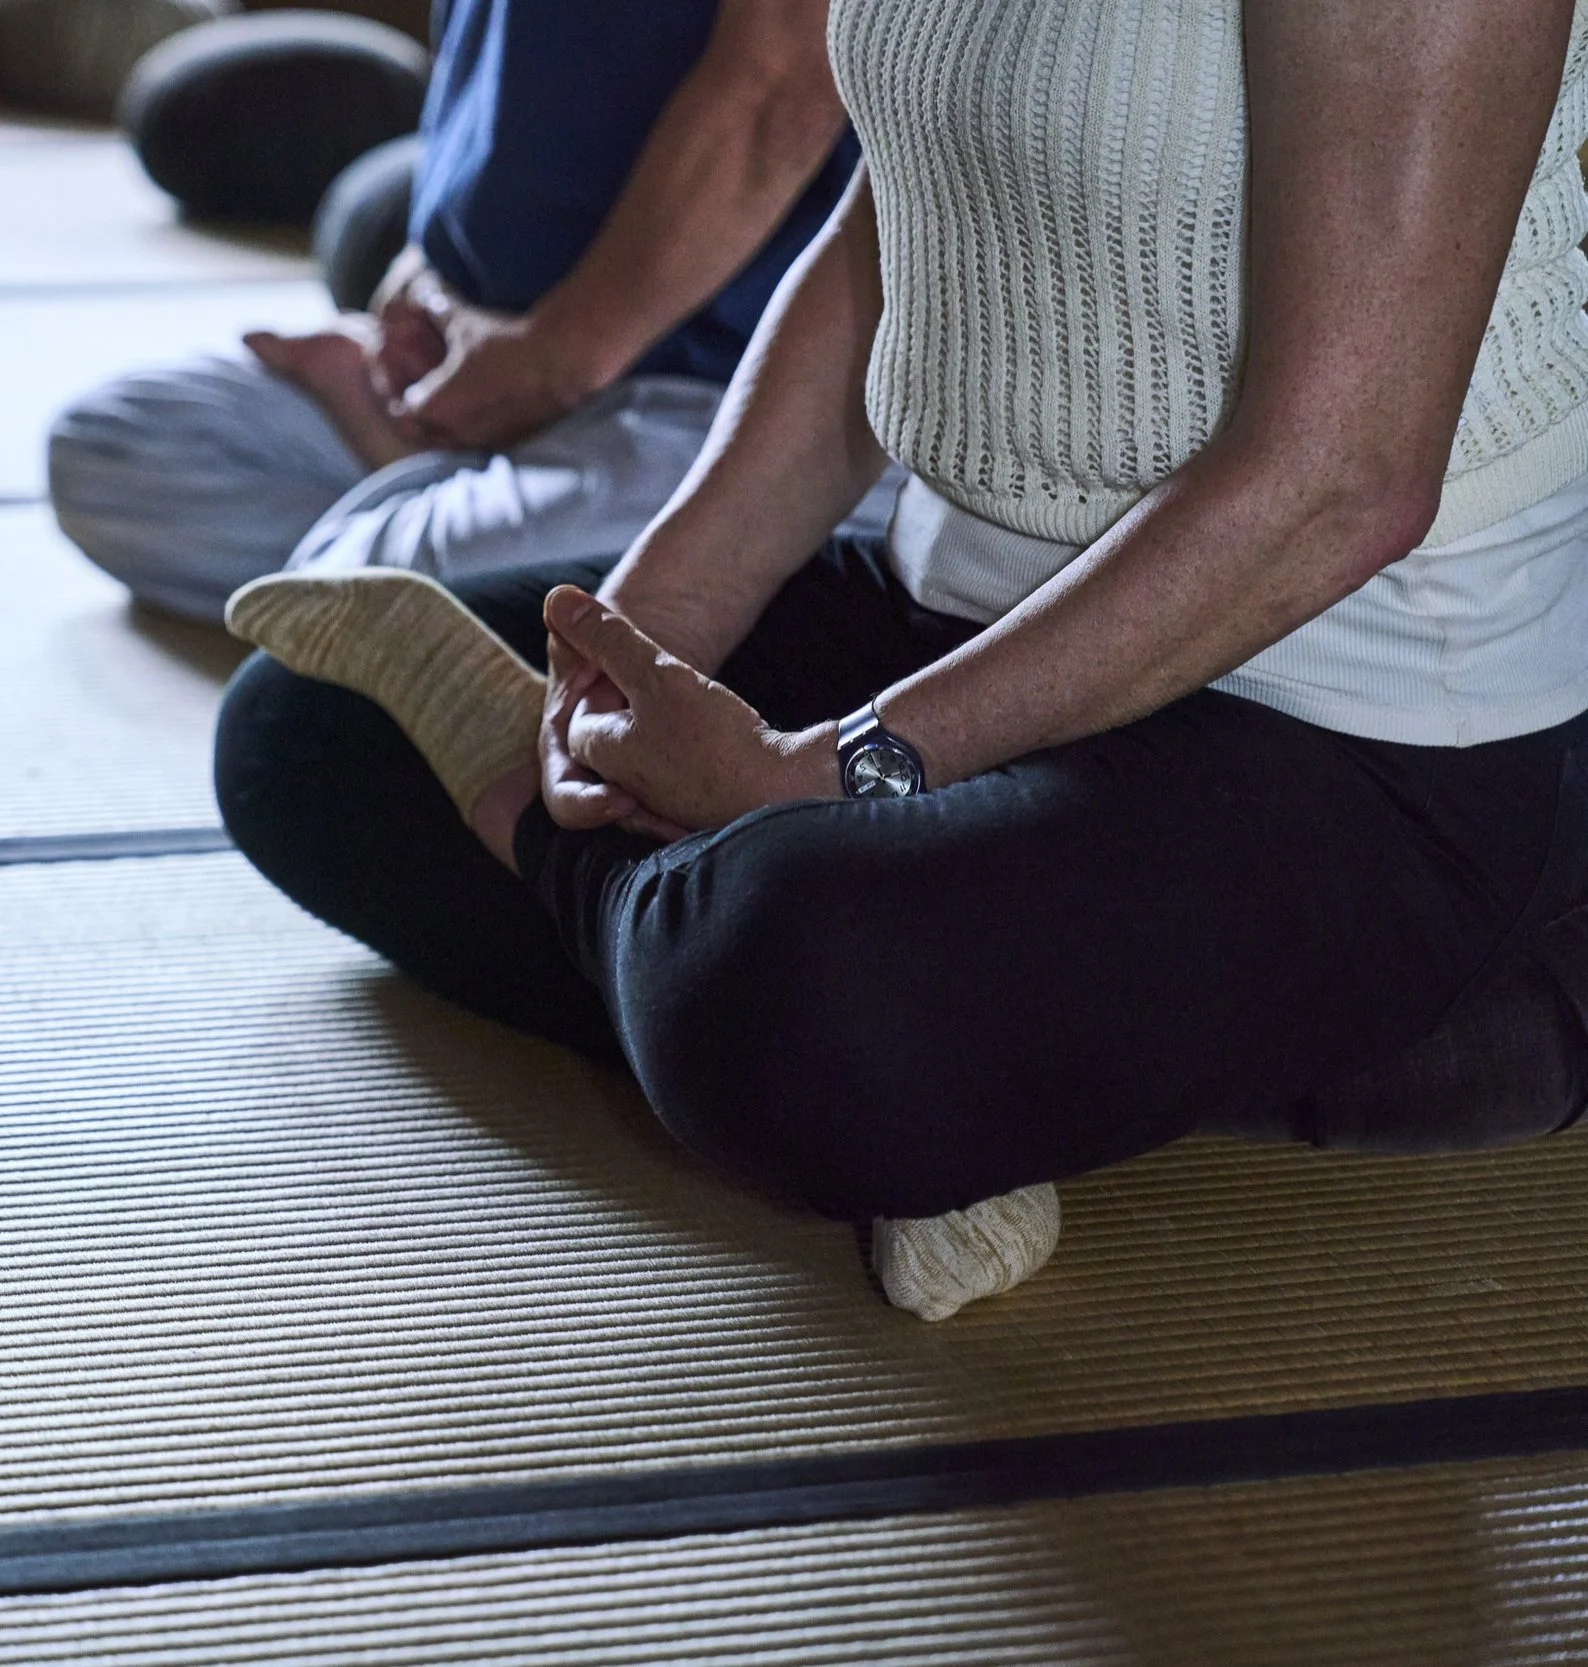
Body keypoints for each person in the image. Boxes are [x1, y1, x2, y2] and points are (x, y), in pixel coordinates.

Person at [215, 0, 1588, 1319]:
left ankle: (839, 1000)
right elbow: (888, 241)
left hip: (1353, 719)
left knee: (788, 981)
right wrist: (645, 633)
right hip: (958, 615)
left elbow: (1340, 483)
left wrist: (842, 769)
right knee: (310, 733)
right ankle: (933, 1049)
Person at [46, 0, 863, 622]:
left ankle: (793, 573)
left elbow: (784, 80)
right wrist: (424, 291)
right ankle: (451, 490)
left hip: (725, 407)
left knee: (342, 600)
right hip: (482, 356)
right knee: (116, 449)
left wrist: (560, 361)